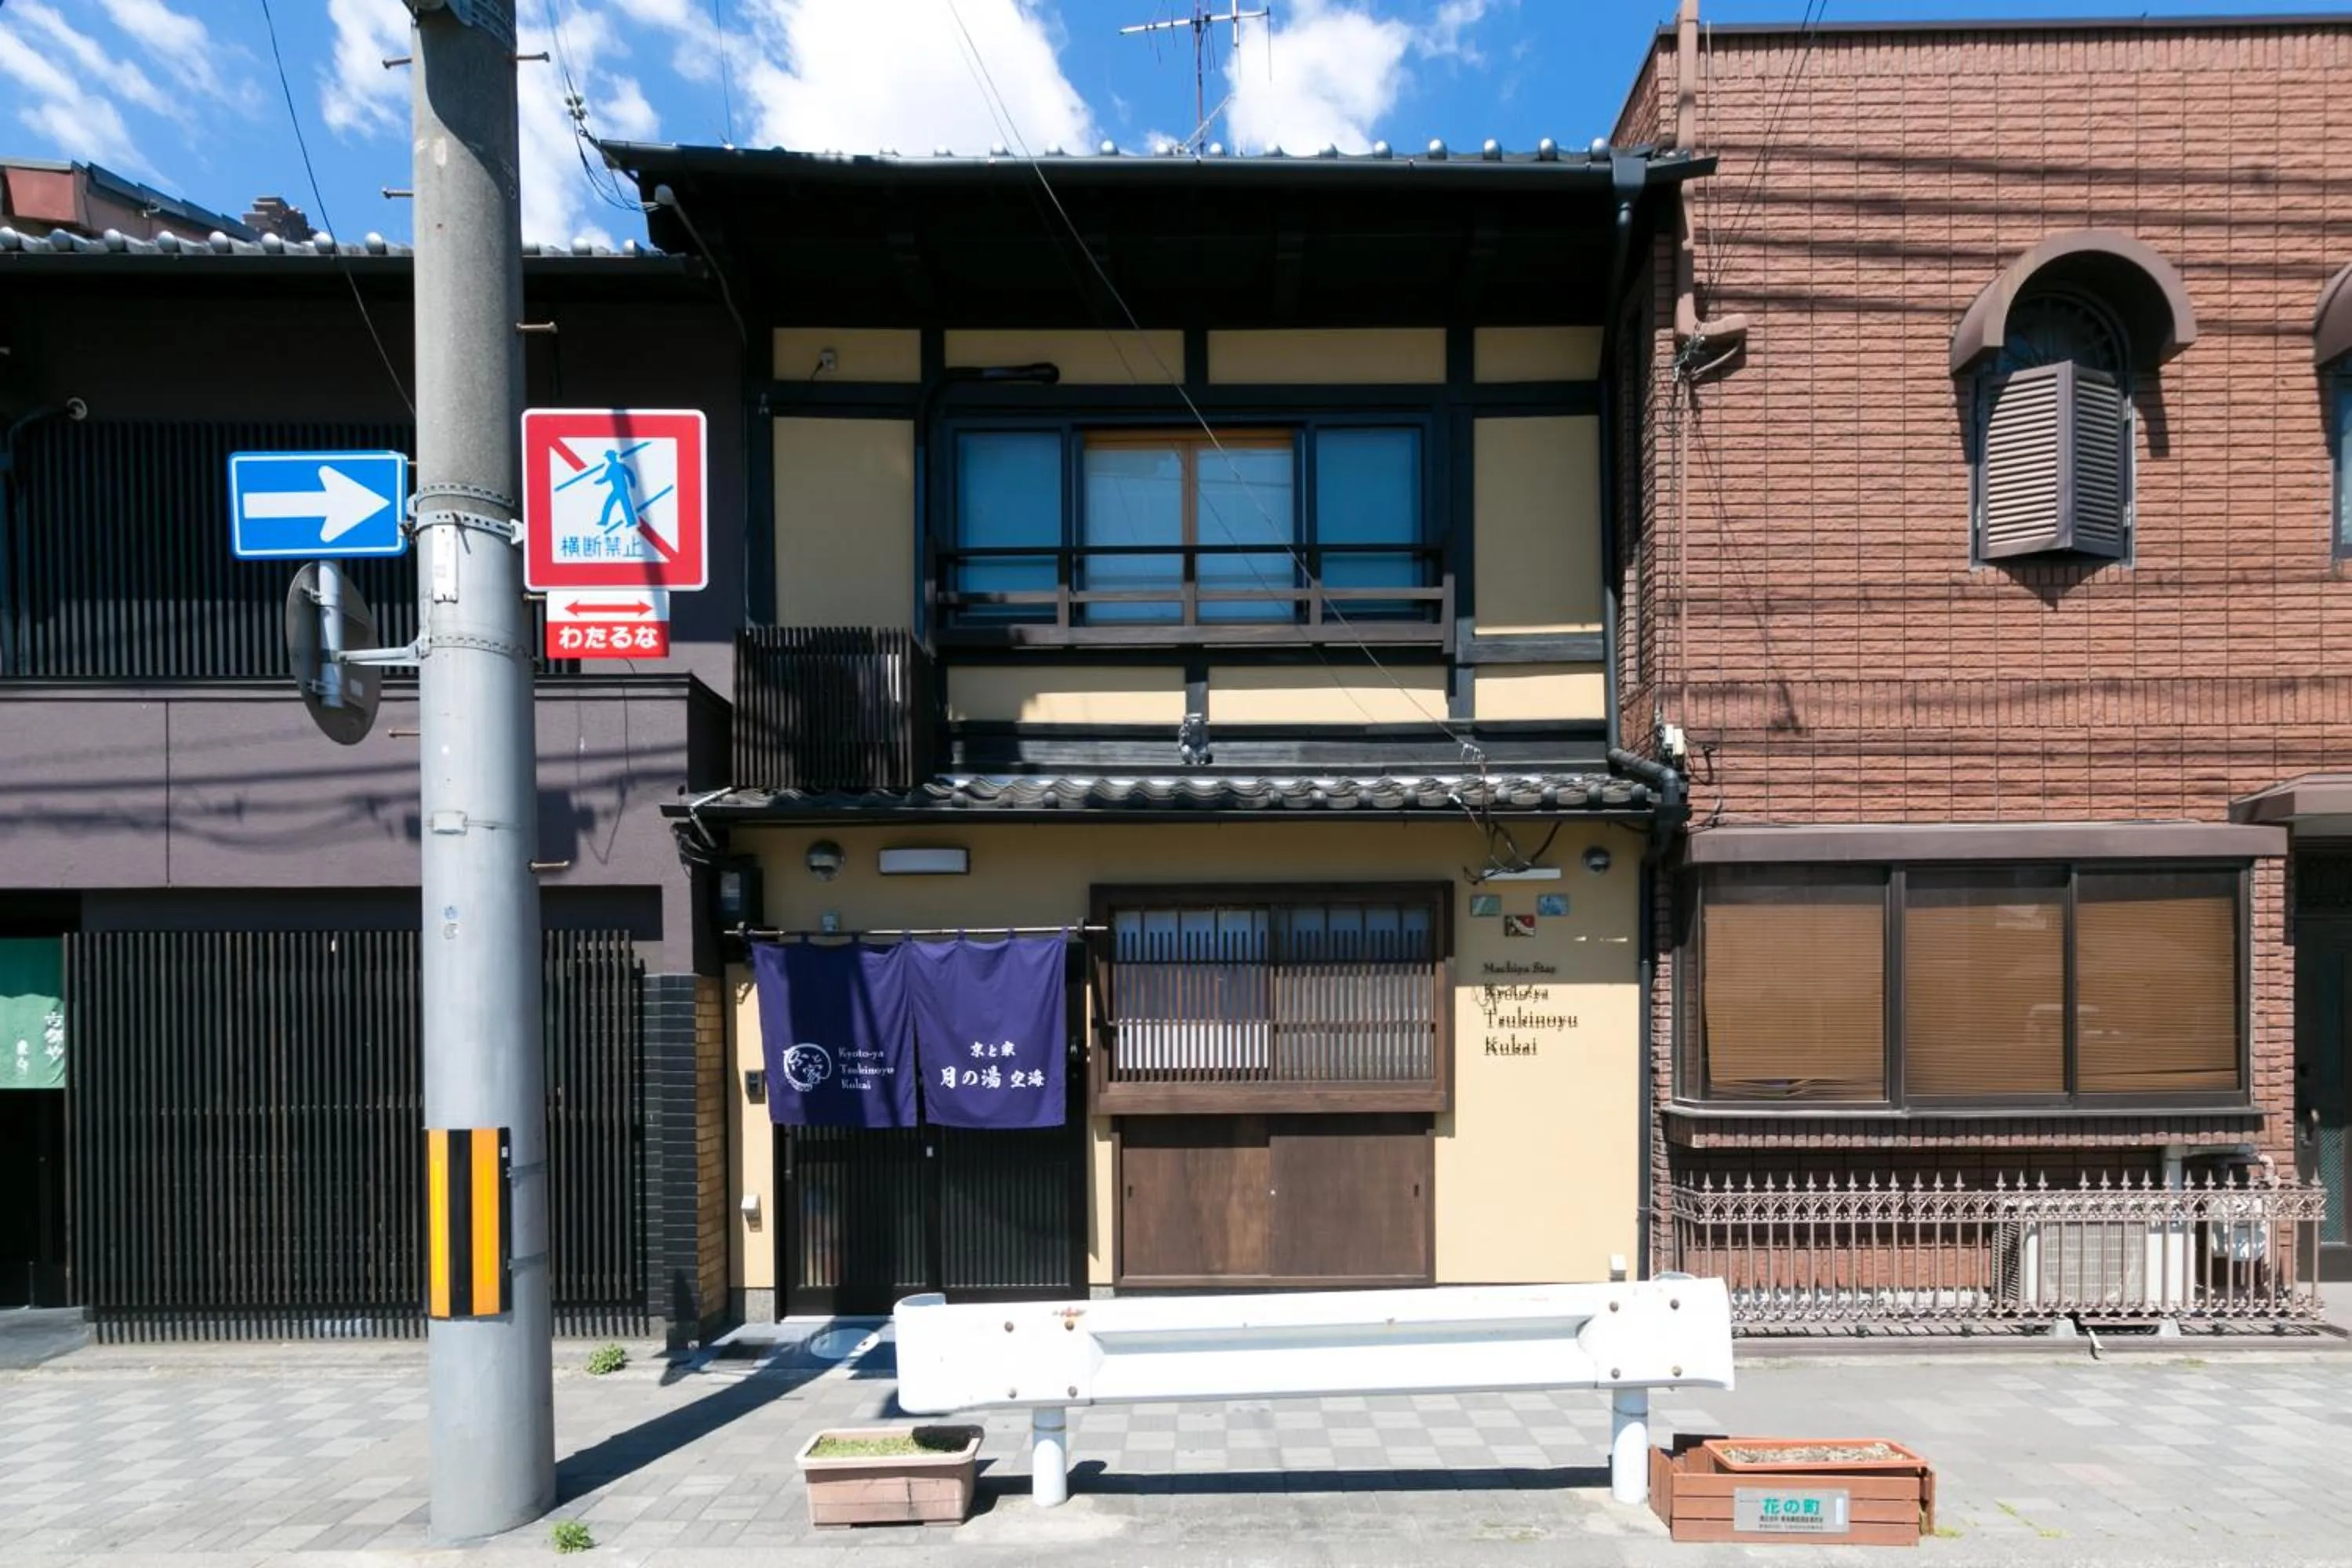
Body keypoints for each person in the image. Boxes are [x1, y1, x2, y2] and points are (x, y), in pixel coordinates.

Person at [593, 448, 640, 534]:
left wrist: (633, 483)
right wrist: (599, 481)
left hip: (621, 489)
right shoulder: (610, 468)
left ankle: (630, 521)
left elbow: (630, 474)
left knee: (622, 505)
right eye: (608, 457)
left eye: (610, 457)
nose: (609, 459)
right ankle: (605, 521)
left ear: (614, 457)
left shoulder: (620, 466)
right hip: (617, 489)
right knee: (615, 504)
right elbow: (606, 478)